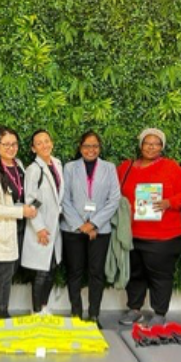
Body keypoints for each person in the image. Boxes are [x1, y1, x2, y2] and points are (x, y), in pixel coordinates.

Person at [117, 128, 181, 327]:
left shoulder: (172, 167)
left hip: (163, 235)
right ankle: (134, 309)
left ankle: (159, 312)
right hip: (132, 233)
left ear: (162, 147)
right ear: (140, 144)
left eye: (156, 143)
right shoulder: (125, 167)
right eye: (147, 142)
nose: (151, 146)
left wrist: (169, 202)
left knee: (160, 275)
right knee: (135, 273)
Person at [60, 131, 121, 322]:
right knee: (75, 272)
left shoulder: (109, 168)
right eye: (87, 146)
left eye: (95, 146)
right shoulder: (69, 168)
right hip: (73, 229)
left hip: (99, 230)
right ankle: (76, 313)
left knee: (96, 273)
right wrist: (81, 225)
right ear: (80, 148)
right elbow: (64, 199)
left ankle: (94, 314)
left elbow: (114, 199)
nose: (91, 150)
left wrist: (93, 223)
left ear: (99, 148)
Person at [0, 126, 38, 319]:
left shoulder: (19, 165)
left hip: (19, 229)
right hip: (1, 232)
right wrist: (20, 211)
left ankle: (3, 312)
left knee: (10, 273)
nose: (11, 148)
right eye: (6, 144)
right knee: (2, 276)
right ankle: (0, 314)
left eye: (14, 144)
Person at [22, 130, 64, 315]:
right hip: (42, 226)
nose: (44, 145)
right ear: (33, 148)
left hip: (55, 226)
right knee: (41, 271)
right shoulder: (33, 170)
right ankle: (36, 310)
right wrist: (39, 228)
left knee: (51, 267)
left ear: (52, 142)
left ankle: (45, 306)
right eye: (39, 143)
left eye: (46, 141)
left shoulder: (57, 164)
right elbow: (32, 200)